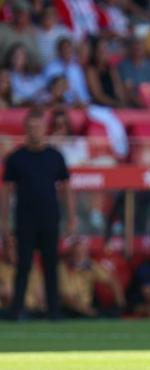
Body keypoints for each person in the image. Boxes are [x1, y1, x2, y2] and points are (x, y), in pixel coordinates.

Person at [0, 109, 76, 320]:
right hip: (25, 219)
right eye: (31, 127)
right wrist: (4, 221)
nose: (35, 131)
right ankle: (16, 309)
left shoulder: (55, 156)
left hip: (49, 218)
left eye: (38, 127)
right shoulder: (16, 158)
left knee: (51, 263)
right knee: (23, 264)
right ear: (26, 129)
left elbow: (66, 187)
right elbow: (6, 190)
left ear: (44, 129)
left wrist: (71, 218)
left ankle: (53, 310)